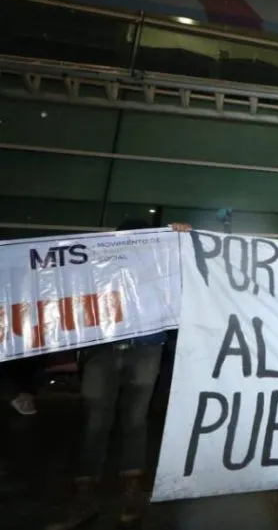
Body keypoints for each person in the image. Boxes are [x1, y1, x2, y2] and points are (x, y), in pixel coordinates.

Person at [48, 220, 191, 530]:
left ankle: (130, 493)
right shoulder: (100, 264)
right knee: (96, 420)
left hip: (146, 349)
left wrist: (182, 238)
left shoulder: (163, 263)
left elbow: (191, 271)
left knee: (135, 421)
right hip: (103, 350)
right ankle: (85, 496)